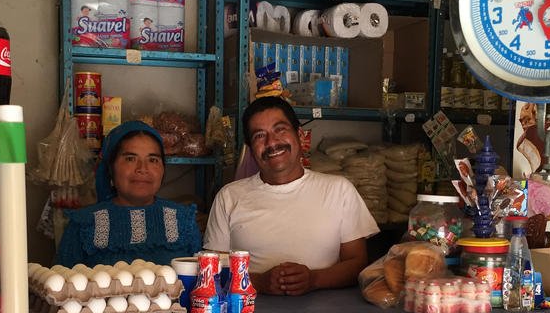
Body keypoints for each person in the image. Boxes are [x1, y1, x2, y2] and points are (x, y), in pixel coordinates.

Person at [204, 96, 379, 295]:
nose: (272, 143)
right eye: (259, 136)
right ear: (251, 151)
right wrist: (260, 282)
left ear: (300, 135)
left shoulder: (339, 190)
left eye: (280, 129)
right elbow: (213, 271)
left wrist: (313, 279)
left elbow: (357, 263)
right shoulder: (229, 197)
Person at [57, 121, 202, 267]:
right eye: (130, 159)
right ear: (111, 168)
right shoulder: (83, 224)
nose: (142, 169)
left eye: (153, 160)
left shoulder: (184, 221)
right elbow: (60, 284)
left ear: (163, 169)